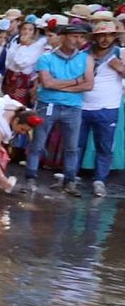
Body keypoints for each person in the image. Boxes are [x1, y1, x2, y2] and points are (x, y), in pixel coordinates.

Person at [25, 23, 92, 194]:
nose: (78, 40)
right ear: (63, 37)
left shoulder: (87, 58)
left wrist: (58, 85)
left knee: (71, 146)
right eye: (74, 36)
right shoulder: (46, 58)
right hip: (48, 105)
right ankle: (30, 179)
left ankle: (69, 182)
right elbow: (47, 83)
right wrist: (77, 81)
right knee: (37, 143)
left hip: (73, 108)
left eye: (81, 37)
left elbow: (89, 84)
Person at [80, 19, 121, 196]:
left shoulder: (120, 53)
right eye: (101, 35)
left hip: (108, 107)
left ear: (114, 37)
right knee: (76, 144)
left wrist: (121, 68)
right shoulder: (83, 54)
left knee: (104, 146)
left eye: (110, 35)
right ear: (95, 37)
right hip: (82, 105)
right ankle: (70, 178)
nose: (105, 39)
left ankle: (99, 180)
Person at [4, 18, 46, 106]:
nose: (27, 32)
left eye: (30, 29)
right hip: (10, 78)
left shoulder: (37, 47)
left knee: (19, 105)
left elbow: (22, 63)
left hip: (24, 80)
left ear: (34, 32)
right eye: (24, 29)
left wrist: (23, 47)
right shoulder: (15, 44)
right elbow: (8, 62)